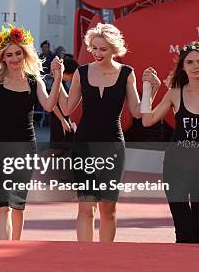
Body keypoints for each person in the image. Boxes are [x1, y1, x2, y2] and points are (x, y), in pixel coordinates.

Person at [0, 25, 62, 240]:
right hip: (1, 145)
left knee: (18, 205)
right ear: (2, 57)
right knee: (3, 204)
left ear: (25, 53)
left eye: (18, 53)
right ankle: (3, 247)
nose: (15, 58)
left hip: (27, 146)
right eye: (9, 54)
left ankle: (16, 245)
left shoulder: (34, 80)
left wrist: (59, 76)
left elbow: (49, 106)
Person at [57, 23, 155, 242]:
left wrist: (150, 89)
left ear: (114, 49)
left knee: (108, 209)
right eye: (94, 48)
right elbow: (66, 108)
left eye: (103, 49)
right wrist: (58, 79)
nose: (97, 53)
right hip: (84, 145)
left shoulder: (127, 73)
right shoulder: (82, 73)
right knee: (86, 207)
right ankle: (85, 257)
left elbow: (138, 112)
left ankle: (105, 259)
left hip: (112, 146)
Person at [142, 41, 199, 244]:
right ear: (183, 66)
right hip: (176, 166)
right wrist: (149, 88)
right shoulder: (175, 92)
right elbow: (148, 120)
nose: (196, 66)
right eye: (190, 62)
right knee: (183, 231)